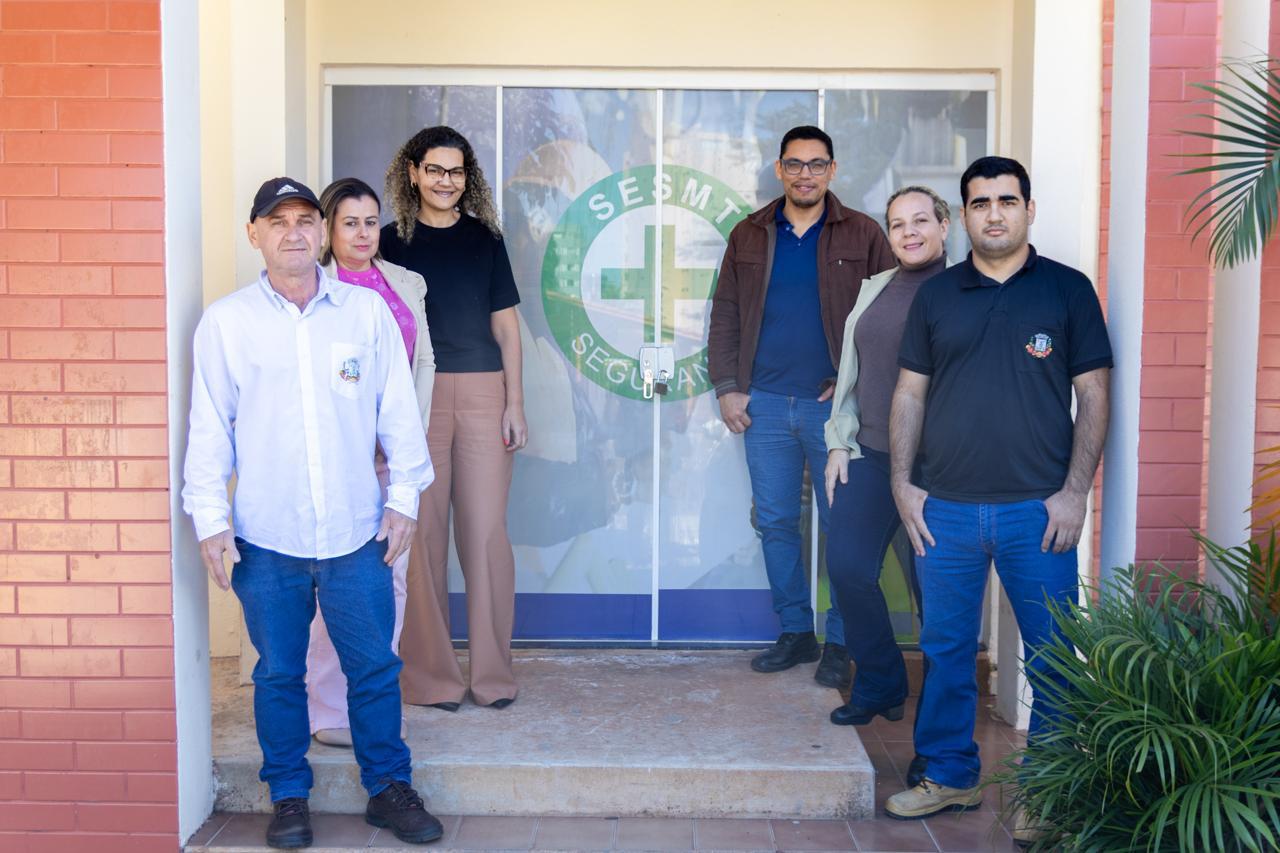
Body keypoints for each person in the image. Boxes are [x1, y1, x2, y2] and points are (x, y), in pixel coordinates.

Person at [182, 177, 443, 847]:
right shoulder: (228, 323)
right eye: (278, 220)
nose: (293, 231)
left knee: (375, 668)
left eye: (304, 219)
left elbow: (398, 415)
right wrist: (211, 519)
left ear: (319, 231)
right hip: (267, 538)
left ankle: (387, 786)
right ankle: (289, 795)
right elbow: (209, 427)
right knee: (278, 671)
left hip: (357, 531)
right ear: (255, 234)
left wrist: (403, 500)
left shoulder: (364, 314)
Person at [883, 157, 1111, 834]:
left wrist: (1075, 493)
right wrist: (902, 481)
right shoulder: (938, 295)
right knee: (947, 649)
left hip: (1037, 511)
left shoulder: (1068, 291)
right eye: (980, 202)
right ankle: (949, 777)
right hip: (946, 508)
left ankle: (1045, 790)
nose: (994, 213)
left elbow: (1094, 393)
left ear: (1028, 209)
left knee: (1051, 656)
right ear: (966, 213)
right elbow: (908, 393)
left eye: (1006, 200)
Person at [708, 125, 895, 687]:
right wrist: (726, 388)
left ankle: (842, 640)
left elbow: (889, 312)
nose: (805, 174)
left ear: (832, 170)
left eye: (817, 164)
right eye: (795, 164)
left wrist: (851, 380)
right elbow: (724, 314)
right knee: (775, 522)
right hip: (763, 403)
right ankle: (795, 631)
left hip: (833, 410)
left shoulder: (862, 233)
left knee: (844, 527)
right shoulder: (749, 233)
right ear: (779, 169)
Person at [381, 126, 527, 711]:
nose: (447, 181)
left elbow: (507, 328)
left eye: (457, 171)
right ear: (412, 172)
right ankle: (432, 679)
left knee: (487, 534)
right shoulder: (389, 242)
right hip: (415, 396)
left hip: (484, 393)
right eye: (435, 170)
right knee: (422, 537)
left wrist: (515, 401)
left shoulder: (485, 239)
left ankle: (492, 677)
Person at [823, 186, 949, 786]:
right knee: (847, 567)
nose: (909, 233)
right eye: (898, 224)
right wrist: (838, 440)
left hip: (939, 471)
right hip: (870, 454)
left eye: (920, 221)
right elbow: (853, 374)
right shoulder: (875, 288)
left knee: (939, 605)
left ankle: (939, 741)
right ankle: (880, 680)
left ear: (944, 226)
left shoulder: (964, 288)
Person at [305, 177, 435, 748]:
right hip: (339, 464)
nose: (363, 233)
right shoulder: (312, 289)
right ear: (329, 230)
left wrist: (407, 438)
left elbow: (423, 362)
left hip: (394, 462)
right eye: (350, 222)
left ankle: (375, 703)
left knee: (392, 583)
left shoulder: (405, 284)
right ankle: (329, 709)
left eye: (371, 221)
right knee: (329, 588)